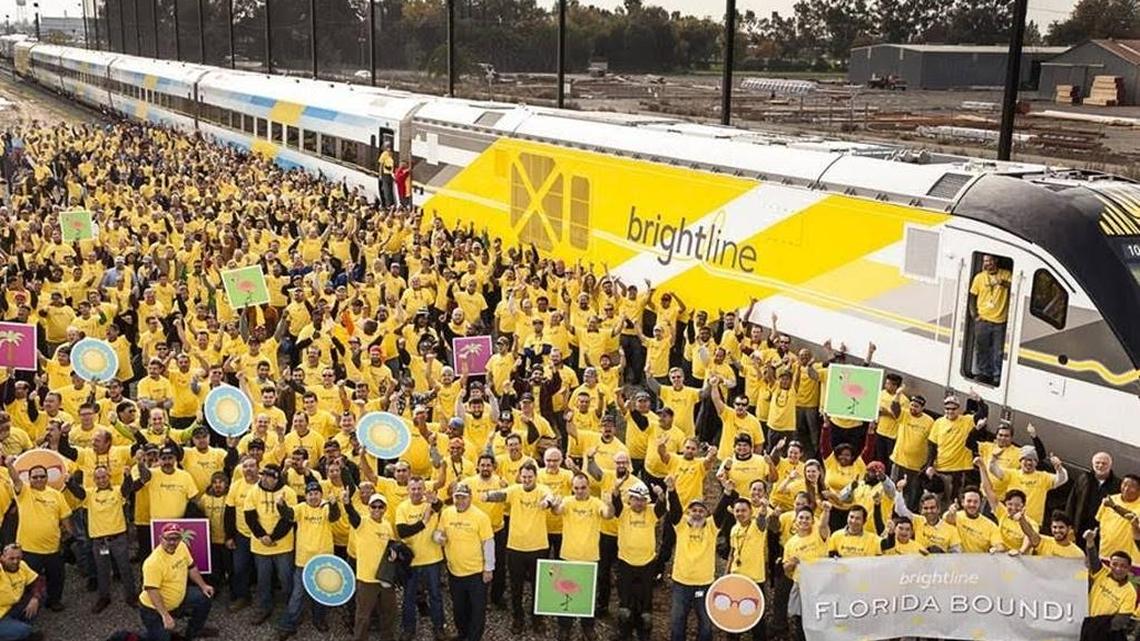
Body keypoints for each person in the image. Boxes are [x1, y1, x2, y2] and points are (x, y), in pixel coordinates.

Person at [482, 461, 555, 633]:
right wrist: (487, 495)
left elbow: (549, 496)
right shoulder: (515, 490)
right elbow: (500, 495)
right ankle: (518, 617)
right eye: (524, 477)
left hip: (538, 546)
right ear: (520, 477)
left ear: (535, 477)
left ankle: (537, 618)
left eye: (530, 477)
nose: (527, 480)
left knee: (538, 586)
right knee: (516, 586)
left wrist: (547, 503)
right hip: (515, 547)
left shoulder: (542, 490)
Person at [276, 481, 340, 639]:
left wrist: (333, 504)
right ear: (306, 496)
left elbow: (333, 517)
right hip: (303, 560)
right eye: (310, 494)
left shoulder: (325, 507)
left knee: (321, 592)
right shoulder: (301, 508)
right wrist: (280, 505)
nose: (313, 497)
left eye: (316, 493)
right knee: (298, 593)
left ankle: (319, 619)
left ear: (321, 495)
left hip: (323, 560)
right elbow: (288, 515)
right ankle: (289, 623)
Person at [7, 458, 70, 613]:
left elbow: (65, 517)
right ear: (29, 479)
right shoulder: (24, 492)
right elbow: (15, 478)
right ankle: (26, 606)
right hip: (28, 548)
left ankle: (54, 601)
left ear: (47, 477)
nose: (39, 479)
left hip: (52, 548)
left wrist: (70, 535)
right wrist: (9, 464)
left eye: (42, 476)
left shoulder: (57, 495)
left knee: (57, 577)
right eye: (35, 477)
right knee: (28, 580)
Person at [436, 483, 494, 641]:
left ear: (470, 498)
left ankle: (474, 637)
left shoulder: (480, 517)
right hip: (454, 571)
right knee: (459, 608)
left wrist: (488, 568)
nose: (460, 501)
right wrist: (438, 538)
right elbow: (438, 532)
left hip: (476, 572)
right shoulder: (447, 513)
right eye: (457, 497)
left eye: (463, 497)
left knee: (477, 610)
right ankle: (462, 634)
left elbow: (488, 543)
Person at [139, 523, 216, 641]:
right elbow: (152, 591)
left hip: (179, 597)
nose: (172, 542)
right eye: (168, 538)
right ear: (160, 539)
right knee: (162, 638)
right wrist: (165, 615)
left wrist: (203, 585)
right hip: (153, 609)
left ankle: (193, 632)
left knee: (205, 597)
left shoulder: (182, 547)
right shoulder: (153, 562)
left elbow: (192, 567)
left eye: (176, 538)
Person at [242, 463, 296, 625]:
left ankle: (290, 608)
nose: (265, 479)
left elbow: (289, 519)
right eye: (263, 475)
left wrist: (273, 537)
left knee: (286, 579)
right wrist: (262, 536)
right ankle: (264, 607)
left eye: (269, 476)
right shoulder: (253, 492)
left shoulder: (288, 492)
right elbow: (249, 516)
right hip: (260, 545)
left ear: (277, 478)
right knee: (263, 580)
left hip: (283, 545)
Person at [610, 484, 665, 641]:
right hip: (626, 562)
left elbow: (662, 504)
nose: (639, 503)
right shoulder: (623, 512)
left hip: (647, 564)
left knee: (645, 604)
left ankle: (644, 634)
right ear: (630, 499)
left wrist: (660, 492)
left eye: (642, 500)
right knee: (625, 604)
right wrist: (617, 488)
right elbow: (615, 500)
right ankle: (624, 634)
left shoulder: (651, 511)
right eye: (636, 500)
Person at [665, 475, 716, 641]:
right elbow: (675, 510)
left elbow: (722, 509)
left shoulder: (712, 528)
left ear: (707, 514)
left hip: (705, 583)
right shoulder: (680, 525)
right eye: (694, 510)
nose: (697, 513)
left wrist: (728, 492)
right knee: (677, 622)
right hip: (681, 583)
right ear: (688, 513)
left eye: (701, 511)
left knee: (706, 623)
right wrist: (672, 490)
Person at [394, 476, 445, 640]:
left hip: (433, 559)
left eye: (419, 488)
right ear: (408, 490)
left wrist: (435, 500)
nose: (416, 492)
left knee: (435, 595)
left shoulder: (430, 504)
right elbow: (402, 532)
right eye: (413, 489)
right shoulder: (402, 507)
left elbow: (439, 506)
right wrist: (423, 522)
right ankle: (408, 629)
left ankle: (439, 628)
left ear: (424, 489)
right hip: (412, 561)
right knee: (408, 597)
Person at [344, 493, 398, 641]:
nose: (377, 509)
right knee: (363, 615)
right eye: (373, 506)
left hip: (385, 577)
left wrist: (394, 549)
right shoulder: (362, 523)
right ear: (369, 508)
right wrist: (347, 505)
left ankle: (387, 637)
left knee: (389, 611)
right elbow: (353, 516)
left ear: (385, 509)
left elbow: (392, 542)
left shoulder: (387, 525)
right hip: (366, 578)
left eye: (380, 507)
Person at [1080, 526, 1136, 641]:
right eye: (1114, 564)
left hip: (1108, 635)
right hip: (1089, 626)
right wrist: (1090, 541)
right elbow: (1093, 559)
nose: (1118, 568)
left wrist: (1100, 629)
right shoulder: (1102, 573)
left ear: (1129, 568)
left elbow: (1121, 620)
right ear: (1110, 564)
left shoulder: (1130, 592)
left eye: (1123, 566)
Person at [968, 254, 1012, 385]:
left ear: (996, 261)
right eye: (985, 261)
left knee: (998, 351)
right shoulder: (979, 278)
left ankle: (996, 375)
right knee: (981, 349)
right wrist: (975, 315)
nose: (988, 264)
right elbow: (972, 297)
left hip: (1000, 320)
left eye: (990, 261)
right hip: (983, 320)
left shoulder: (1006, 274)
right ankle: (983, 374)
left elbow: (1016, 287)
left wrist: (1003, 283)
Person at [1067, 452, 1119, 536]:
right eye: (1097, 463)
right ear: (1093, 464)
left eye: (1104, 463)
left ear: (1110, 465)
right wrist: (1068, 524)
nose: (1100, 466)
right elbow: (1072, 501)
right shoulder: (1084, 478)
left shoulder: (1117, 484)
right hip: (1080, 526)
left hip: (1102, 530)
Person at [0, 544, 44, 641]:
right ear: (2, 558)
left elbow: (38, 581)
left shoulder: (22, 565)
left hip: (11, 608)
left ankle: (13, 628)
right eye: (11, 558)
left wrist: (35, 598)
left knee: (40, 596)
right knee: (24, 630)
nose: (15, 561)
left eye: (18, 558)